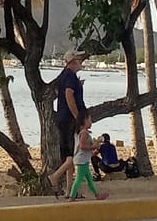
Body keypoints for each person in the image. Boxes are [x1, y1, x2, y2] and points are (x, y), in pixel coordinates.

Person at [48, 49, 88, 196]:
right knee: (75, 154)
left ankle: (70, 190)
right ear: (72, 61)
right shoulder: (70, 76)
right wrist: (78, 117)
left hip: (64, 119)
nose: (81, 61)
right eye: (78, 58)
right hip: (69, 120)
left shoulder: (66, 76)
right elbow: (68, 96)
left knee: (68, 155)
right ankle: (55, 176)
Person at [68, 111, 109, 202]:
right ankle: (72, 196)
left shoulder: (83, 132)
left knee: (89, 179)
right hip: (82, 160)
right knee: (79, 178)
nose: (91, 122)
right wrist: (93, 146)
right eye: (90, 120)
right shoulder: (84, 133)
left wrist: (94, 145)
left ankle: (97, 195)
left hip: (83, 159)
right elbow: (82, 146)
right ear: (85, 121)